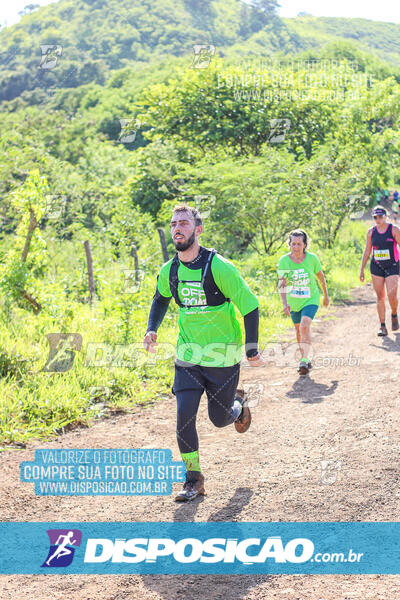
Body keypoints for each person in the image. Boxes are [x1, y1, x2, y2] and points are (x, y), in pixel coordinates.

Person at [143, 204, 264, 502]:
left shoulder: (218, 266)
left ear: (198, 229)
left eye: (183, 223)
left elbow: (249, 305)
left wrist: (251, 349)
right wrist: (152, 328)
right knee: (184, 417)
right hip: (188, 355)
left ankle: (238, 404)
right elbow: (160, 299)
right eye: (173, 224)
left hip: (222, 356)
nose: (177, 228)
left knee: (220, 419)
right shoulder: (169, 270)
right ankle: (193, 479)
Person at [277, 230, 329, 376]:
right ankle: (304, 358)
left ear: (305, 245)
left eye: (299, 244)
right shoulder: (284, 261)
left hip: (310, 299)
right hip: (294, 302)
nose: (296, 247)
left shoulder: (312, 259)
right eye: (293, 243)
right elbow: (282, 283)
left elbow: (321, 277)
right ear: (289, 244)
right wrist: (284, 302)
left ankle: (304, 360)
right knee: (298, 330)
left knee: (305, 326)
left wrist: (326, 295)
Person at [360, 205, 400, 336]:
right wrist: (361, 270)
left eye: (380, 217)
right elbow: (367, 251)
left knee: (392, 295)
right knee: (380, 297)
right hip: (376, 266)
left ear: (385, 216)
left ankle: (394, 314)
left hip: (392, 265)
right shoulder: (371, 232)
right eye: (375, 217)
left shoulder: (393, 230)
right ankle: (382, 326)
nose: (378, 219)